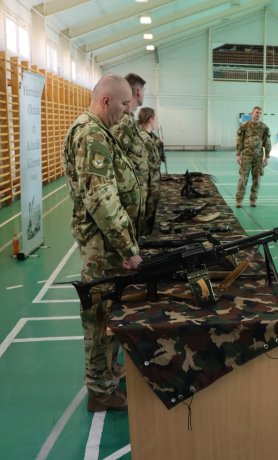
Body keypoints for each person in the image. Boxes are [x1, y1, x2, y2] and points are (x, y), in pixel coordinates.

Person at [62, 75, 143, 411]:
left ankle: (107, 370)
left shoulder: (97, 129)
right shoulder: (92, 133)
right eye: (124, 104)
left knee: (107, 310)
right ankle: (100, 389)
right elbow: (101, 197)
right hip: (102, 245)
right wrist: (127, 247)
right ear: (107, 101)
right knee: (98, 316)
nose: (128, 111)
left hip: (103, 242)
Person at [112, 73, 153, 236]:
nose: (144, 94)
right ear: (137, 91)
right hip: (127, 204)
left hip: (136, 200)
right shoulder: (124, 123)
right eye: (143, 90)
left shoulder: (130, 121)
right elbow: (115, 162)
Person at [235, 106, 271, 208]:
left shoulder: (264, 127)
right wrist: (238, 154)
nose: (258, 114)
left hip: (258, 157)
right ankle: (239, 200)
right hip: (246, 156)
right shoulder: (244, 126)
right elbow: (239, 140)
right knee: (243, 178)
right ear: (251, 113)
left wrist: (267, 157)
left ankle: (253, 199)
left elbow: (267, 142)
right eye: (256, 112)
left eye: (260, 113)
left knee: (257, 179)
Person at [137, 107, 163, 234]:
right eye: (155, 118)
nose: (156, 121)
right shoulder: (143, 138)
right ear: (151, 119)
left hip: (148, 185)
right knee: (145, 220)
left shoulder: (149, 137)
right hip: (145, 187)